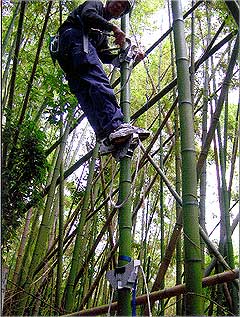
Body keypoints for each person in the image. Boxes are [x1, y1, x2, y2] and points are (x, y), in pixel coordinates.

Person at [57, 0, 150, 155]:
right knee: (99, 82)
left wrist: (132, 58)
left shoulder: (101, 35)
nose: (119, 6)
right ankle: (116, 126)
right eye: (118, 1)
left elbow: (106, 56)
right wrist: (114, 29)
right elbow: (88, 15)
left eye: (123, 7)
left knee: (88, 95)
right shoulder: (95, 5)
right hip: (74, 40)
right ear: (109, 1)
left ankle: (106, 138)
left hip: (71, 61)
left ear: (121, 14)